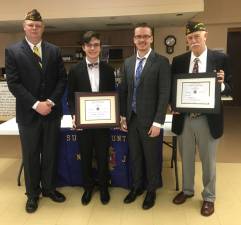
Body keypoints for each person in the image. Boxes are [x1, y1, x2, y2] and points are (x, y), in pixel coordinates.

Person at [5, 9, 67, 213]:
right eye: (30, 25)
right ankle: (32, 194)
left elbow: (61, 80)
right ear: (24, 27)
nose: (34, 28)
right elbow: (14, 84)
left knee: (50, 153)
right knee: (31, 155)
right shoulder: (13, 51)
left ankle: (49, 188)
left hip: (51, 112)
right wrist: (35, 104)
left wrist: (49, 102)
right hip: (28, 114)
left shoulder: (54, 50)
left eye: (38, 25)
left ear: (43, 28)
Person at [171, 21, 232, 216]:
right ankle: (187, 190)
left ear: (206, 36)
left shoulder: (221, 59)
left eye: (197, 36)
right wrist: (173, 104)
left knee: (208, 161)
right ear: (186, 41)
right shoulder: (179, 61)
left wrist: (221, 85)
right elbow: (173, 88)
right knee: (186, 157)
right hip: (185, 119)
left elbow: (231, 89)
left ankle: (209, 197)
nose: (193, 40)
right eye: (190, 38)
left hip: (209, 119)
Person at [119, 23, 171, 210]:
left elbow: (164, 93)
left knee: (152, 157)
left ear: (151, 38)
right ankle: (137, 186)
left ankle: (151, 190)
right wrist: (123, 116)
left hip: (151, 122)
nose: (141, 39)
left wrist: (158, 121)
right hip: (132, 120)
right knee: (135, 156)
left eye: (145, 36)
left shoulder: (162, 62)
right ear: (134, 39)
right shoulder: (128, 62)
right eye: (138, 36)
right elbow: (124, 90)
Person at [67, 31, 115, 205]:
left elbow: (113, 96)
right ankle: (87, 188)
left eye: (96, 45)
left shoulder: (109, 70)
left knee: (103, 156)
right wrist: (74, 115)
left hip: (103, 122)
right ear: (83, 47)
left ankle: (103, 187)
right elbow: (70, 97)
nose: (93, 48)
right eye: (89, 45)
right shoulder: (74, 70)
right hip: (84, 123)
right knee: (86, 156)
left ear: (100, 47)